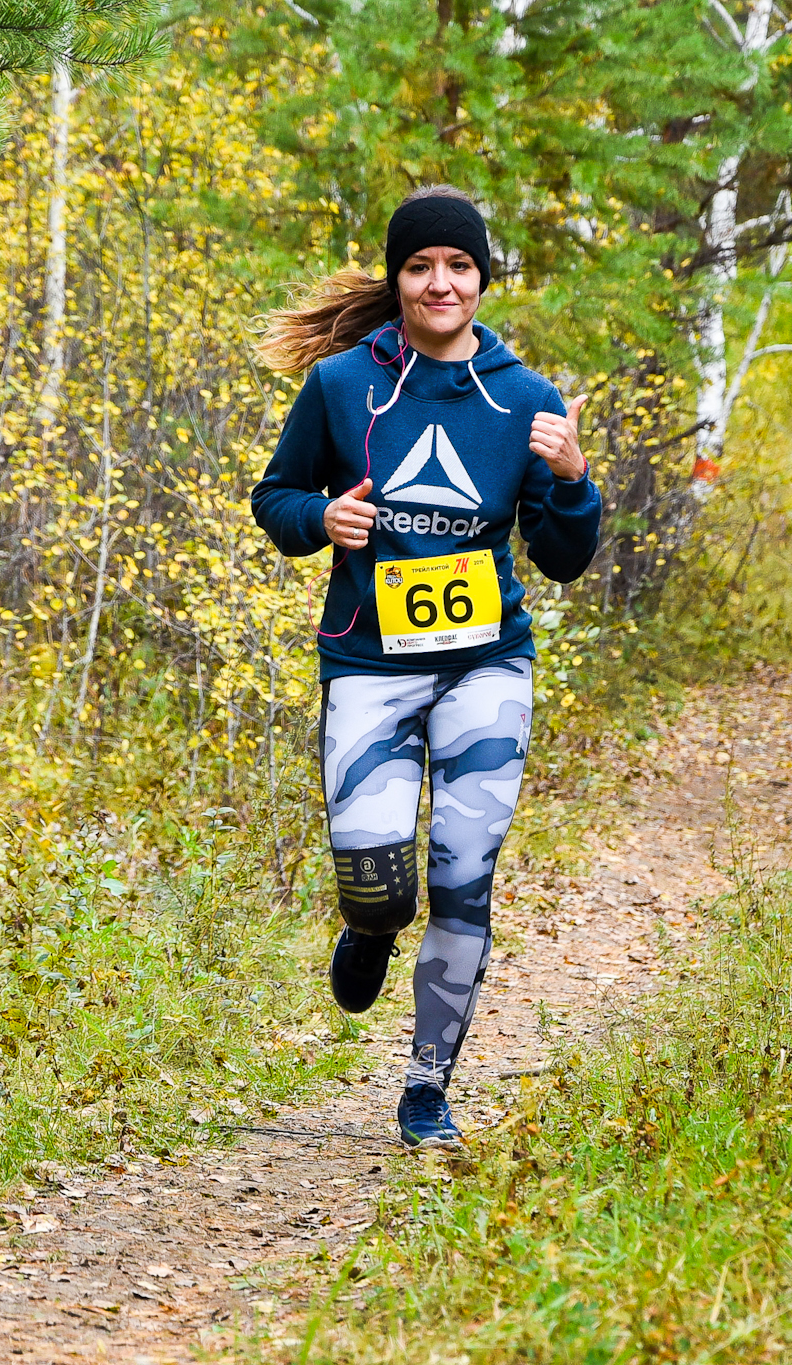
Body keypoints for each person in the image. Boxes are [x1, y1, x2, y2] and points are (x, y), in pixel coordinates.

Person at [250, 187, 601, 1149]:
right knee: (380, 882)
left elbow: (563, 557)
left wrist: (573, 478)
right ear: (397, 279)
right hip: (368, 662)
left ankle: (426, 1085)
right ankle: (369, 927)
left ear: (483, 279)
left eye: (458, 266)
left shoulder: (526, 399)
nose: (440, 283)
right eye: (419, 266)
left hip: (487, 665)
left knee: (463, 876)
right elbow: (275, 497)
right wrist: (321, 517)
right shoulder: (341, 386)